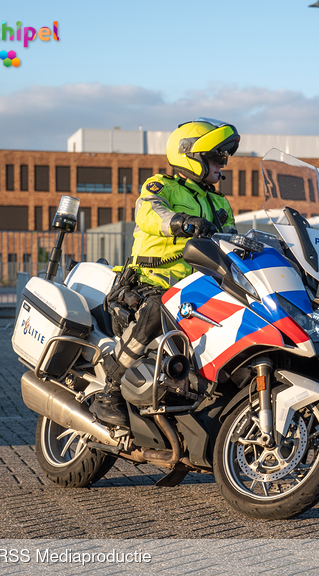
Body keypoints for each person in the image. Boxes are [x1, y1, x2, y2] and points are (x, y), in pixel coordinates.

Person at [91, 118, 240, 426]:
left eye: (223, 157)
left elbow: (232, 242)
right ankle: (110, 391)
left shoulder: (219, 202)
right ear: (190, 156)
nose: (221, 163)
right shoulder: (162, 186)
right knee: (159, 307)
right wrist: (182, 223)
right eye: (215, 156)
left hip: (197, 291)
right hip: (150, 284)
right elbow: (149, 213)